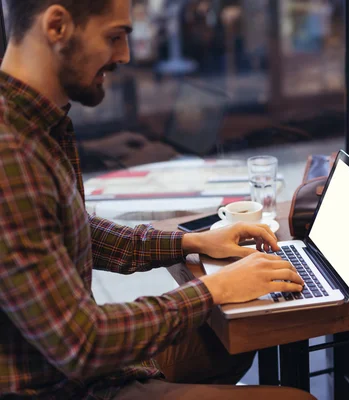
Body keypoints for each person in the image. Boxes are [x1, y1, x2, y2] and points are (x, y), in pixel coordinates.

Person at [0, 0, 312, 399]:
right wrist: (214, 290)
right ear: (57, 26)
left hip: (83, 369)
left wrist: (191, 242)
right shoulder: (12, 154)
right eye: (114, 37)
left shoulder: (36, 122)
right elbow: (84, 346)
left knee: (234, 339)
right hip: (64, 385)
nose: (125, 56)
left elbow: (73, 228)